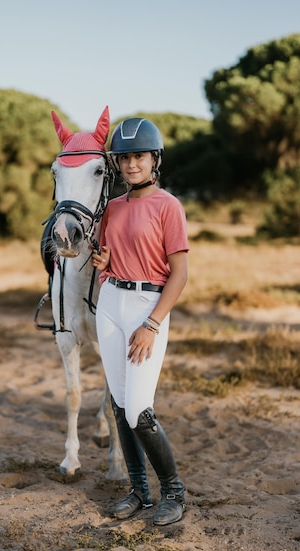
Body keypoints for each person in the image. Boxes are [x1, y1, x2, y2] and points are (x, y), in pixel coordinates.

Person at [92, 117, 189, 526]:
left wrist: (151, 324)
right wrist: (102, 264)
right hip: (111, 301)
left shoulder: (168, 205)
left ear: (155, 159)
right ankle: (139, 492)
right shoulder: (112, 208)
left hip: (147, 306)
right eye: (126, 157)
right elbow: (105, 257)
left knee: (138, 410)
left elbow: (179, 273)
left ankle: (174, 492)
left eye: (140, 156)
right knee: (118, 404)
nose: (132, 164)